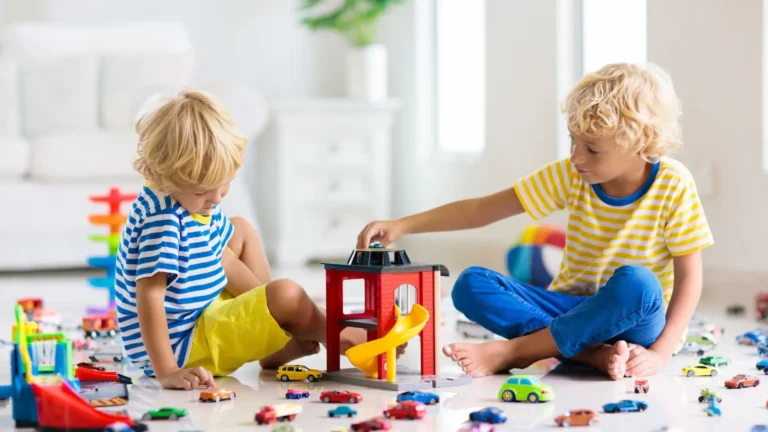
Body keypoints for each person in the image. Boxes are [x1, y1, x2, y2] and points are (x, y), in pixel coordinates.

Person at [356, 63, 713, 380]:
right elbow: (482, 209)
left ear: (640, 142)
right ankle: (591, 355)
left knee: (638, 282)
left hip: (635, 323)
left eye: (591, 148)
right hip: (569, 306)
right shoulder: (573, 175)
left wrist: (661, 353)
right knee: (471, 284)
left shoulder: (673, 183)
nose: (576, 157)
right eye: (573, 141)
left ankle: (516, 351)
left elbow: (689, 277)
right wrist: (403, 225)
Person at [115, 89, 365, 389]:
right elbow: (150, 296)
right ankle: (343, 336)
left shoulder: (182, 196)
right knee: (286, 294)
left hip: (196, 310)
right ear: (161, 173)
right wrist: (167, 370)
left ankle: (278, 338)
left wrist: (269, 307)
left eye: (225, 185)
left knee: (241, 230)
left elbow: (222, 257)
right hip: (183, 345)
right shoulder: (164, 222)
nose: (216, 199)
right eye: (201, 191)